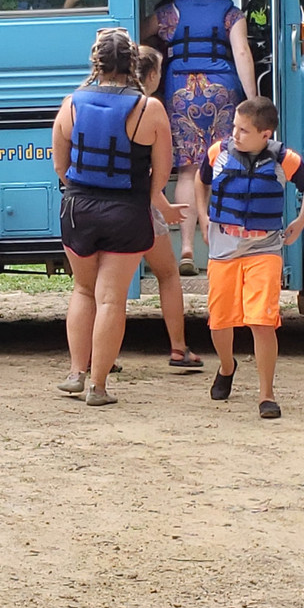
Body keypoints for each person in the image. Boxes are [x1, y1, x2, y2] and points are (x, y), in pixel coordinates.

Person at [51, 27, 182, 406]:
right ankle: (98, 386)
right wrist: (147, 194)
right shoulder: (149, 109)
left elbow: (61, 165)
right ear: (132, 63)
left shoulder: (71, 103)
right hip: (127, 210)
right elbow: (161, 174)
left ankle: (75, 372)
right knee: (111, 300)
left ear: (97, 62)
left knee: (82, 290)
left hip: (79, 209)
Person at [195, 96, 304, 419]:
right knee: (220, 321)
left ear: (265, 135)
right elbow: (201, 181)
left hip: (264, 249)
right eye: (234, 127)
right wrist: (202, 216)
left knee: (262, 321)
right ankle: (227, 367)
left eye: (243, 130)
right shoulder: (219, 153)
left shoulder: (284, 159)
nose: (234, 135)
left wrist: (300, 222)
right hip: (223, 248)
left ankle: (266, 394)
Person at [141, 0, 257, 276]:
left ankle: (188, 249)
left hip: (181, 94)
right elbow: (243, 53)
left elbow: (135, 31)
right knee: (222, 166)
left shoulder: (171, 12)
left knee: (189, 170)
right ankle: (222, 247)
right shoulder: (231, 14)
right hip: (222, 93)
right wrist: (253, 101)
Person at [135, 46, 202, 368]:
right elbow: (154, 174)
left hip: (95, 208)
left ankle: (92, 359)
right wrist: (165, 207)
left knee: (102, 290)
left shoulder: (89, 103)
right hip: (139, 210)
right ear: (150, 76)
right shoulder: (150, 108)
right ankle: (178, 348)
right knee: (167, 274)